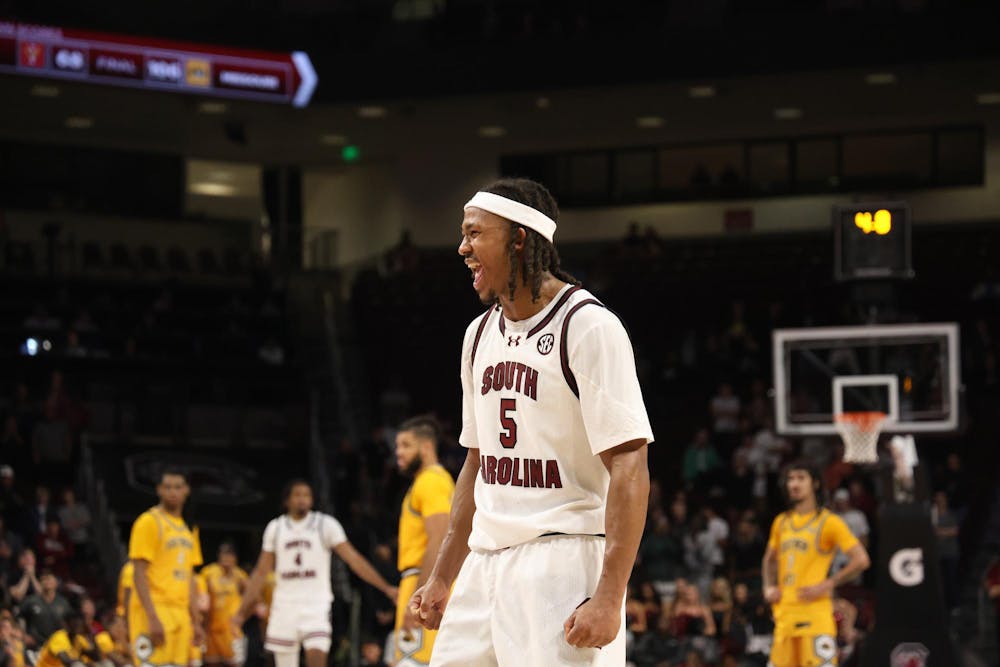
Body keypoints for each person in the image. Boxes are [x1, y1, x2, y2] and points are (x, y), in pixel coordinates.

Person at [409, 178, 654, 665]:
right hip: (484, 561)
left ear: (519, 239)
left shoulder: (587, 325)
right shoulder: (478, 335)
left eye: (475, 233)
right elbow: (477, 463)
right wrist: (443, 574)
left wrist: (610, 597)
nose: (462, 248)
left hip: (562, 561)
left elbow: (630, 462)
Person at [233, 480, 397, 667]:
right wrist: (241, 612)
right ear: (287, 501)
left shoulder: (325, 524)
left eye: (307, 495)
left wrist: (386, 588)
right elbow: (261, 572)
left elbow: (354, 559)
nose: (302, 499)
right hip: (284, 607)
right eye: (297, 495)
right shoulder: (276, 528)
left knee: (317, 659)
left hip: (316, 606)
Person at [762, 462, 871, 667]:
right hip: (785, 620)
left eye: (801, 478)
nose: (794, 484)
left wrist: (829, 583)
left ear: (815, 483)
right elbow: (769, 559)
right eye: (790, 479)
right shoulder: (781, 522)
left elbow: (861, 559)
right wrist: (768, 586)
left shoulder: (829, 522)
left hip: (815, 621)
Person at [394, 416, 455, 667]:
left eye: (406, 445)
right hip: (426, 581)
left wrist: (419, 597)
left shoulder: (430, 481)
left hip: (422, 582)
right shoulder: (433, 480)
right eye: (398, 446)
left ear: (427, 447)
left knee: (413, 663)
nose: (399, 452)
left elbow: (440, 538)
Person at [128, 469, 204, 667]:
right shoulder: (148, 521)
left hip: (180, 613)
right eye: (167, 487)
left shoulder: (189, 529)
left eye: (178, 487)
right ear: (159, 490)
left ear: (186, 490)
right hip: (154, 608)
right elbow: (138, 574)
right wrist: (152, 617)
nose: (173, 492)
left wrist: (196, 621)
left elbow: (190, 578)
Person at [200, 543, 248, 667]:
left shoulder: (240, 575)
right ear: (219, 555)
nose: (227, 558)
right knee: (212, 662)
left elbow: (253, 598)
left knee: (235, 663)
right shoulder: (208, 573)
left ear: (235, 558)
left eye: (230, 554)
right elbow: (201, 599)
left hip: (232, 629)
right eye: (224, 554)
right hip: (212, 628)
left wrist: (242, 617)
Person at [34, 611, 111, 667]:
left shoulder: (79, 639)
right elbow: (66, 661)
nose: (78, 624)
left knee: (106, 663)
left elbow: (97, 658)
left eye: (80, 622)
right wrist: (84, 663)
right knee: (78, 665)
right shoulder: (59, 637)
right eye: (75, 622)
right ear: (67, 624)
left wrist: (92, 636)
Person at [18, 569, 71, 648]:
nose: (46, 582)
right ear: (40, 583)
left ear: (56, 583)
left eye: (49, 579)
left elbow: (69, 623)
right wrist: (24, 635)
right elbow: (20, 617)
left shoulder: (63, 603)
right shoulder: (31, 601)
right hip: (35, 645)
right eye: (43, 579)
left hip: (58, 646)